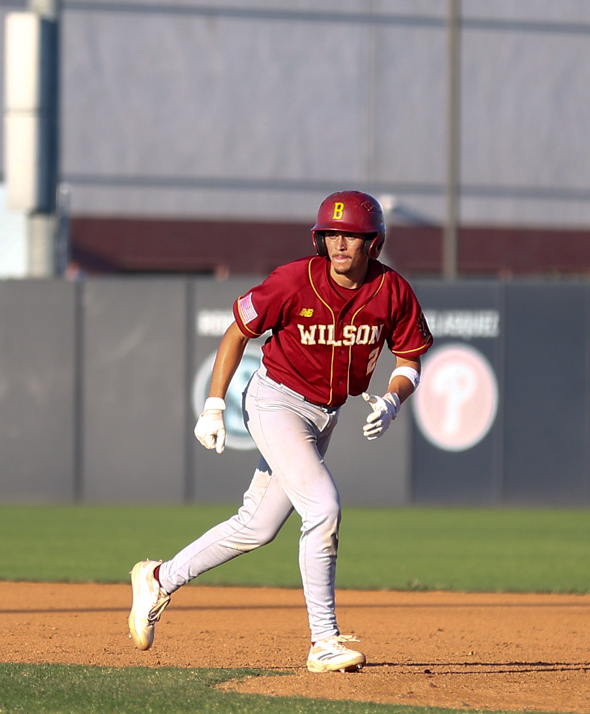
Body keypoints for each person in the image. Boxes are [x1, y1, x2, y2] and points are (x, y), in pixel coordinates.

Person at [127, 190, 433, 672]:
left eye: (351, 235)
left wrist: (394, 399)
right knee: (323, 507)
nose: (339, 244)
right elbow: (237, 331)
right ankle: (324, 640)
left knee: (256, 527)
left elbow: (410, 359)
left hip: (324, 414)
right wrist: (213, 404)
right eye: (331, 234)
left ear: (373, 242)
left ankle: (158, 578)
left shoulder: (392, 290)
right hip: (276, 401)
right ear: (318, 238)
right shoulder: (294, 280)